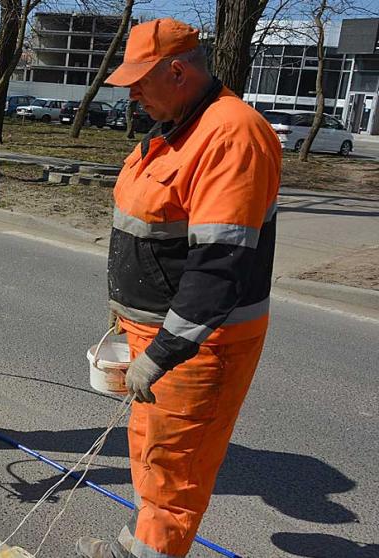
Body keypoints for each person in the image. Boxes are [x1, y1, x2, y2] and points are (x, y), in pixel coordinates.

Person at [77, 18, 280, 558]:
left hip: (198, 345)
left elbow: (220, 264)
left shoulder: (231, 133)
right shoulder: (176, 126)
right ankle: (134, 549)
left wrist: (164, 351)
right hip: (158, 338)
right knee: (149, 455)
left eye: (141, 81)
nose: (133, 94)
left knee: (174, 476)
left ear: (177, 70)